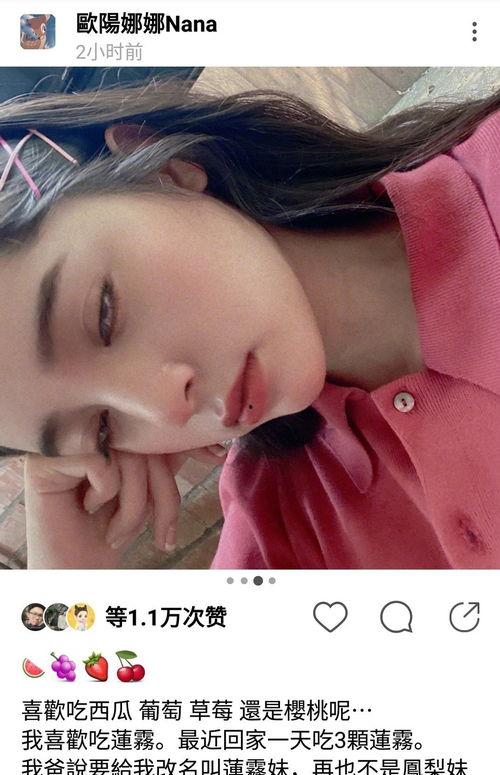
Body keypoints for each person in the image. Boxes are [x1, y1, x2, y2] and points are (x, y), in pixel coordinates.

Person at [0, 76, 498, 569]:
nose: (164, 408)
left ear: (163, 170)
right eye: (103, 430)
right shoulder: (281, 527)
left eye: (104, 315)